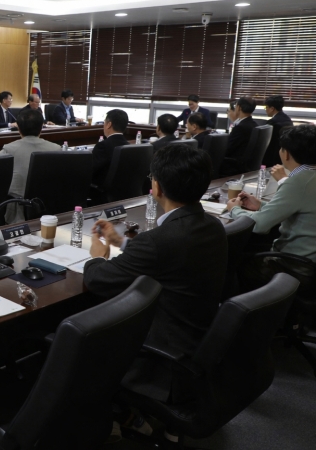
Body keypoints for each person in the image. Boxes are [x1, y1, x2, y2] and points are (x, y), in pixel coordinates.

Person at [85, 144, 226, 403]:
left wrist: (97, 255)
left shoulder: (158, 241)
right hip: (199, 338)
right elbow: (167, 259)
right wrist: (121, 242)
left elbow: (97, 280)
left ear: (157, 187)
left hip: (164, 356)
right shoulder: (213, 225)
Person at [227, 124, 316, 265]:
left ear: (286, 153)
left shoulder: (298, 182)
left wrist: (234, 209)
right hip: (308, 259)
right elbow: (300, 208)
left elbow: (259, 225)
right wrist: (261, 205)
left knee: (230, 261)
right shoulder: (309, 177)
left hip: (292, 265)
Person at [0, 109, 61, 222]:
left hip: (18, 213)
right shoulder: (57, 149)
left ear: (19, 128)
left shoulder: (9, 149)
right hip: (51, 212)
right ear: (41, 127)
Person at [91, 109, 129, 189]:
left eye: (104, 122)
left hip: (102, 191)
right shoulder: (128, 146)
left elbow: (91, 171)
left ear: (109, 124)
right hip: (124, 190)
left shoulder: (102, 146)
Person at [222, 97, 258, 176]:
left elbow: (227, 149)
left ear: (239, 108)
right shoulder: (254, 124)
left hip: (234, 166)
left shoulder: (240, 128)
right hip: (247, 165)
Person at [263, 95, 294, 167]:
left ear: (272, 108)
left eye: (266, 107)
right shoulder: (287, 119)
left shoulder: (272, 123)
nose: (265, 109)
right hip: (284, 156)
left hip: (272, 158)